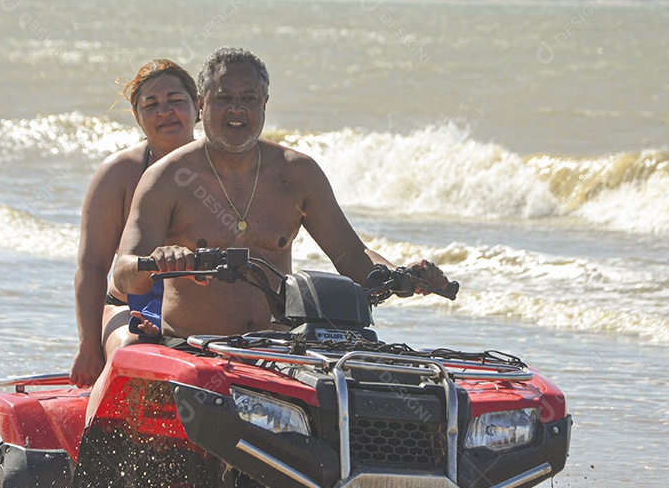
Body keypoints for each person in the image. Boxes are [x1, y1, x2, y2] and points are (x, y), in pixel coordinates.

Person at [111, 47, 448, 339]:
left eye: (249, 99)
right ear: (201, 104)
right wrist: (159, 261)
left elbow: (351, 255)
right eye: (224, 98)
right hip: (194, 349)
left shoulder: (298, 173)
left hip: (278, 349)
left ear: (265, 103)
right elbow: (124, 275)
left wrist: (401, 276)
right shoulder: (167, 177)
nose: (236, 109)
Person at [69, 60, 199, 387]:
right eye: (151, 105)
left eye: (176, 101)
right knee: (133, 353)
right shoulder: (119, 173)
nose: (165, 112)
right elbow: (92, 265)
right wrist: (88, 346)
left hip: (200, 311)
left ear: (198, 105)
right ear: (137, 116)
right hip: (131, 308)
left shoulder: (226, 169)